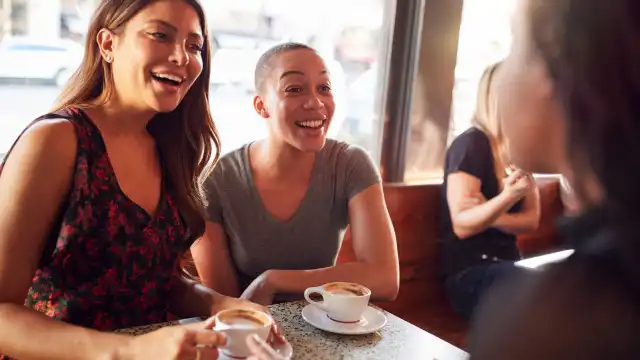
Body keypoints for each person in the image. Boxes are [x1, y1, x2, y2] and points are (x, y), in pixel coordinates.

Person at [0, 1, 261, 359]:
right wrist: (127, 351)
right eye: (160, 35)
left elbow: (151, 278)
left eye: (194, 46)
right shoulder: (57, 141)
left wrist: (219, 304)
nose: (182, 57)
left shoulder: (169, 148)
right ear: (107, 44)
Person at [468, 0, 640, 358]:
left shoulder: (554, 325)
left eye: (513, 44)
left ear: (552, 66)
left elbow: (528, 220)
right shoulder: (471, 146)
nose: (501, 82)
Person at [191, 42, 400, 305]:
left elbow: (384, 279)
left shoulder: (350, 164)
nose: (315, 102)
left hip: (324, 327)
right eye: (294, 89)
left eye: (324, 88)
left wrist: (273, 280)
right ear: (261, 106)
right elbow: (227, 307)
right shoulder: (216, 180)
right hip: (248, 334)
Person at [440, 62, 541, 321]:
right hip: (470, 273)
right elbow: (462, 225)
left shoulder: (518, 148)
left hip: (508, 266)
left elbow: (531, 220)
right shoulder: (471, 143)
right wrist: (507, 198)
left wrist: (490, 212)